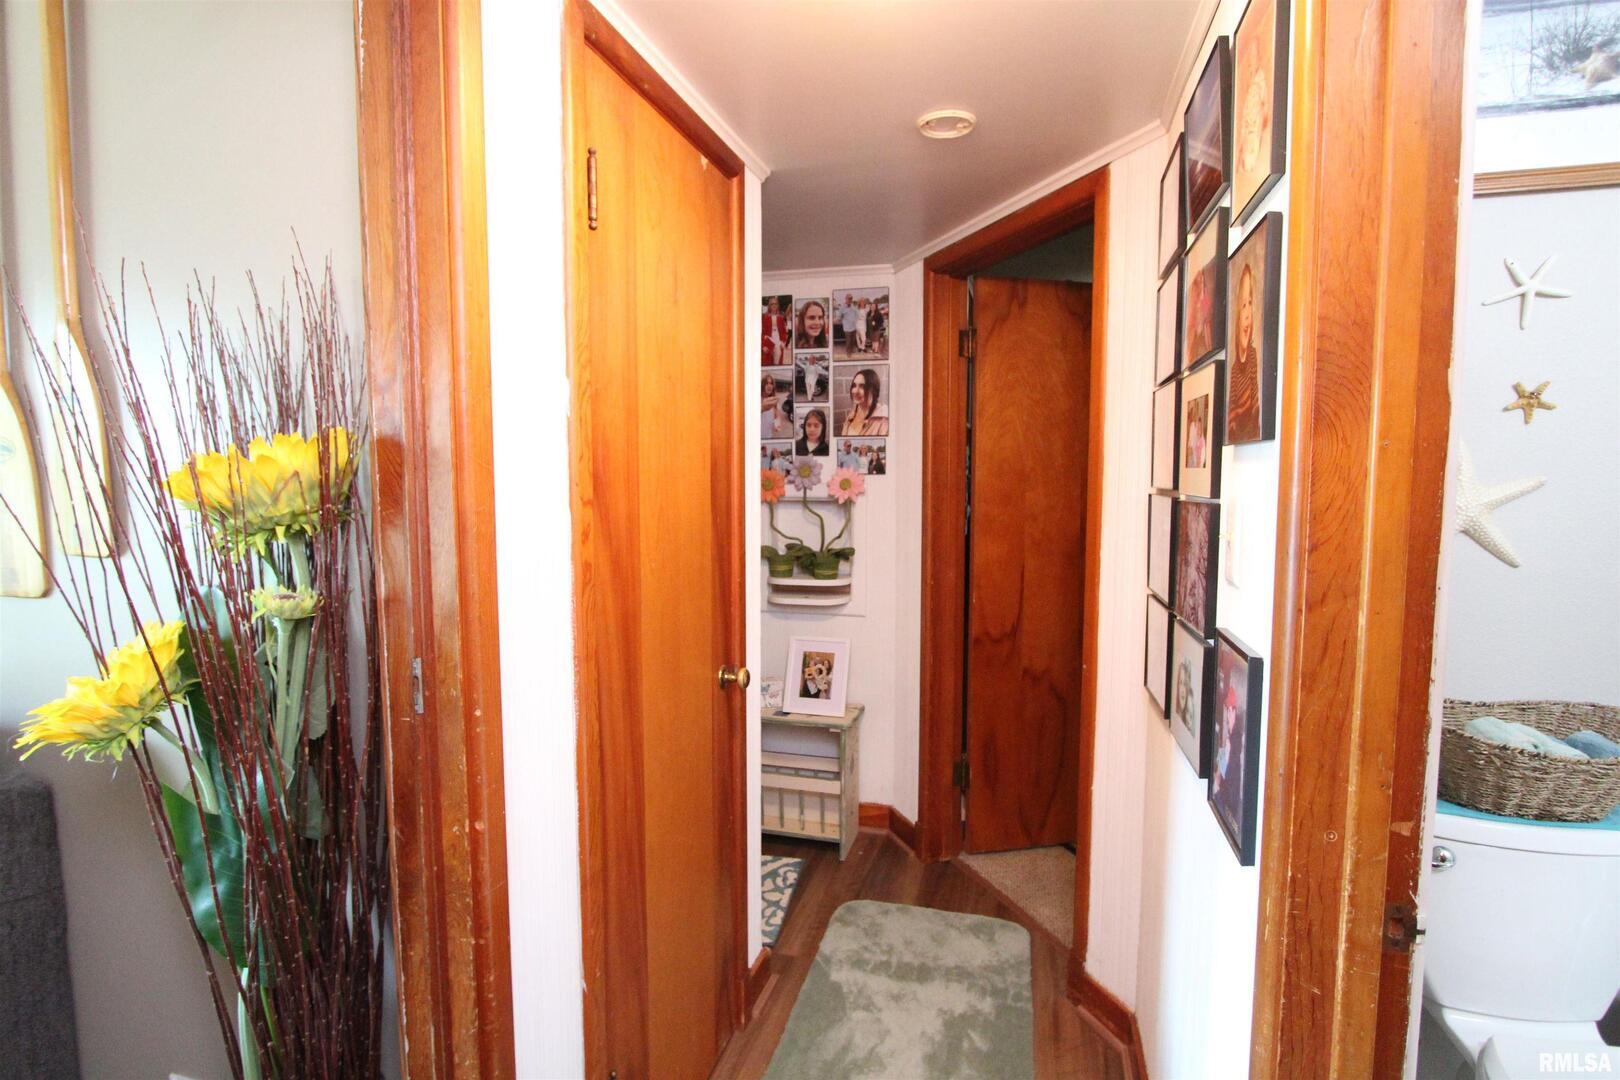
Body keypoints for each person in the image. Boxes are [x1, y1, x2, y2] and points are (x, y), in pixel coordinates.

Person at [1227, 263, 1260, 442]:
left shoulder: (1253, 357)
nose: (1247, 314)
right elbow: (1231, 415)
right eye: (1243, 306)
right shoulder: (1233, 370)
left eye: (1250, 304)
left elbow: (1255, 404)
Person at [839, 368, 889, 436]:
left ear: (874, 390)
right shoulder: (853, 412)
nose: (855, 391)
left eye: (862, 386)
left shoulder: (884, 421)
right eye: (854, 385)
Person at [761, 374, 794, 439]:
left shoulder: (774, 401)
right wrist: (762, 408)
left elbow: (777, 416)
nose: (769, 386)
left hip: (768, 436)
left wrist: (777, 424)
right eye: (767, 383)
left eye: (771, 384)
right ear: (762, 385)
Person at [762, 295, 791, 366]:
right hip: (768, 339)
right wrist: (763, 345)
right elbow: (761, 332)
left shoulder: (781, 317)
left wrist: (783, 342)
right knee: (768, 360)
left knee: (778, 357)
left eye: (775, 304)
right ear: (769, 306)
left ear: (778, 305)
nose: (774, 305)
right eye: (772, 304)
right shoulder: (765, 317)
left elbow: (784, 331)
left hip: (778, 339)